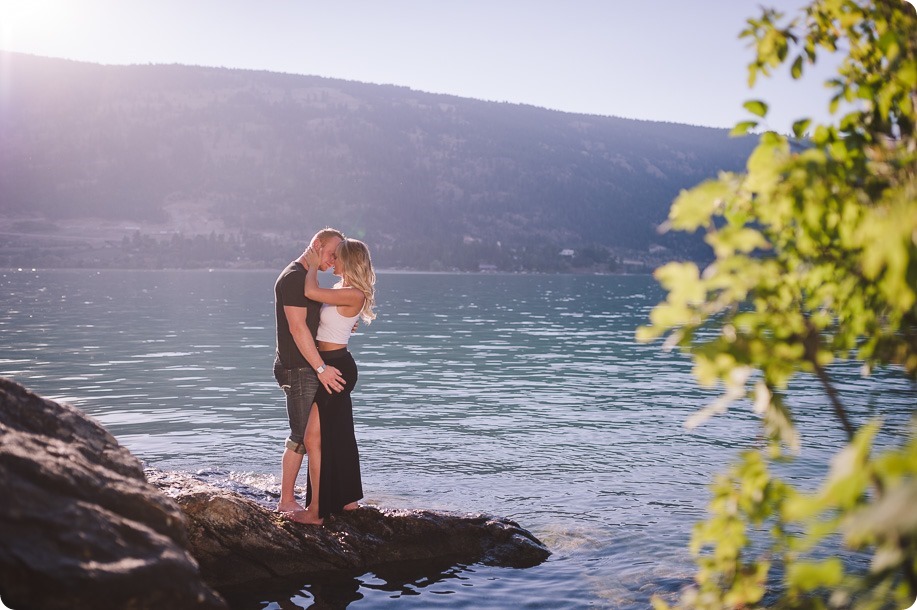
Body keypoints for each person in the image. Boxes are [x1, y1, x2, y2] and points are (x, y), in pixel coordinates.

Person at [289, 237, 376, 525]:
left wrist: (312, 265)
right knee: (339, 434)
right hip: (330, 365)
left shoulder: (354, 293)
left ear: (349, 261)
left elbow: (310, 291)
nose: (333, 262)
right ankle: (348, 500)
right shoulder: (342, 290)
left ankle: (316, 511)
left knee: (314, 438)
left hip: (336, 368)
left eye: (337, 257)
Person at [273, 227, 347, 514]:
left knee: (310, 436)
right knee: (301, 436)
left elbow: (314, 320)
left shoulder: (305, 278)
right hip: (300, 369)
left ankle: (307, 497)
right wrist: (321, 367)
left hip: (306, 367)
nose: (333, 260)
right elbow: (297, 327)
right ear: (316, 245)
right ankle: (286, 501)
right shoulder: (293, 278)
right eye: (331, 253)